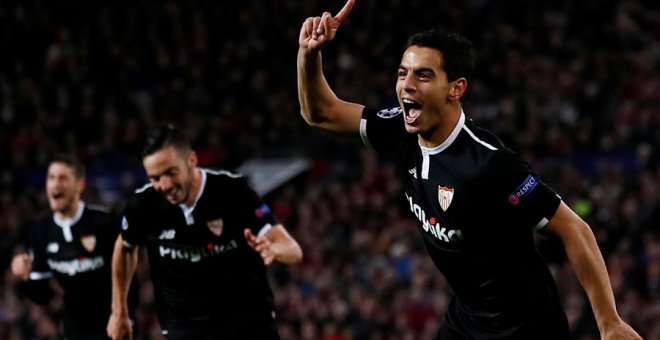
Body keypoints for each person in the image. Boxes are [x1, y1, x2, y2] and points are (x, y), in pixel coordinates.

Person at [296, 1, 642, 339]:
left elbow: (573, 228)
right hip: (466, 319)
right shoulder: (399, 130)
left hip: (525, 326)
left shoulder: (489, 164)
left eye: (423, 75)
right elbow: (320, 113)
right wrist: (309, 54)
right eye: (403, 73)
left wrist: (608, 322)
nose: (407, 85)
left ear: (456, 89)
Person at [106, 124, 303, 340]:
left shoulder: (233, 192)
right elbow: (125, 247)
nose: (165, 185)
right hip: (185, 327)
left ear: (192, 160)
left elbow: (293, 250)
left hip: (247, 322)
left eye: (171, 172)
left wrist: (274, 248)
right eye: (155, 178)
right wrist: (119, 312)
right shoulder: (143, 206)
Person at [10, 154, 138, 340]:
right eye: (51, 177)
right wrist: (23, 277)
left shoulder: (105, 221)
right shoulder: (40, 230)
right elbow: (42, 296)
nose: (55, 184)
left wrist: (127, 317)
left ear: (80, 185)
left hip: (113, 323)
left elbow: (129, 276)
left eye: (63, 178)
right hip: (74, 329)